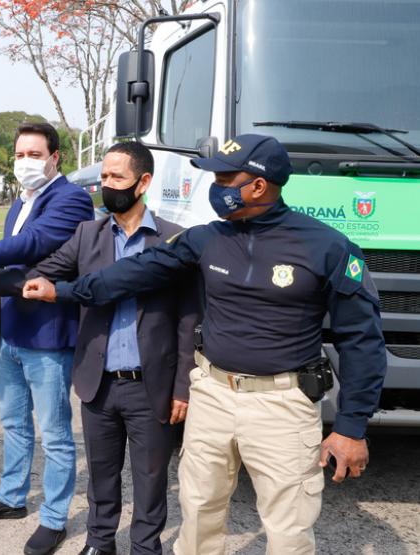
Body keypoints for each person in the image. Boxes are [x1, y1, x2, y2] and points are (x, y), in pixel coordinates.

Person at [23, 135, 387, 554]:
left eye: (226, 177)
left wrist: (351, 427)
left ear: (258, 186)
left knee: (288, 531)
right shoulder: (205, 239)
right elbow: (132, 274)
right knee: (197, 516)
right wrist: (62, 291)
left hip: (282, 406)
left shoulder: (328, 247)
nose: (216, 186)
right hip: (212, 396)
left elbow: (363, 341)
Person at [0, 142, 199, 555]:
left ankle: (145, 547)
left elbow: (189, 319)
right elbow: (42, 272)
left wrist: (182, 387)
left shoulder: (173, 241)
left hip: (151, 383)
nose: (107, 186)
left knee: (151, 478)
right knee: (101, 474)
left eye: (117, 178)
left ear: (143, 182)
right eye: (103, 178)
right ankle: (100, 543)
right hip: (98, 380)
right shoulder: (88, 235)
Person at [0, 122, 95, 555]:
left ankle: (53, 518)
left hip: (48, 335)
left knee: (55, 432)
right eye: (19, 154)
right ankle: (12, 497)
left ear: (55, 158)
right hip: (10, 332)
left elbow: (35, 244)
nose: (24, 162)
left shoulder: (71, 200)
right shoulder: (19, 202)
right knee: (13, 422)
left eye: (34, 154)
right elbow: (7, 269)